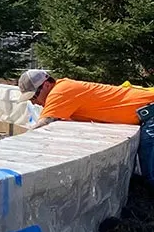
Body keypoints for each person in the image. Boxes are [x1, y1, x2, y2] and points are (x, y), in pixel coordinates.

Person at [19, 68, 154, 183]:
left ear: (47, 85)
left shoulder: (60, 92)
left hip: (150, 114)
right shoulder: (63, 90)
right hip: (146, 115)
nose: (34, 102)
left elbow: (43, 125)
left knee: (150, 171)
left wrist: (19, 146)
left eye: (34, 96)